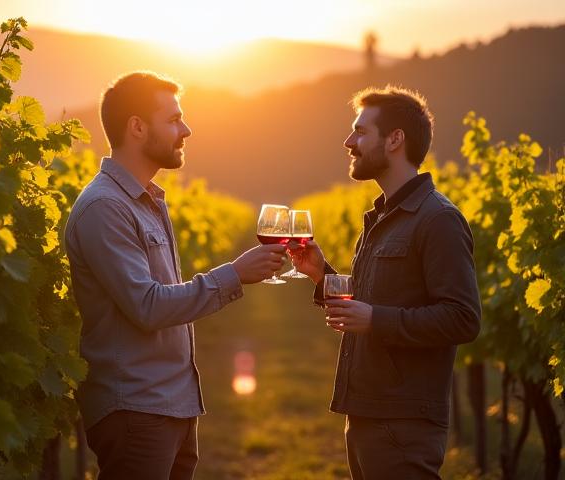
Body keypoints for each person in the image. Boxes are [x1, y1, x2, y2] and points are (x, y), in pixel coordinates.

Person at [64, 71, 285, 480]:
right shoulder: (105, 208)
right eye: (174, 119)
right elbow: (147, 306)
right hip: (136, 407)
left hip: (170, 402)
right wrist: (234, 274)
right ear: (137, 127)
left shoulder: (146, 201)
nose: (187, 129)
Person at [290, 86, 481, 479]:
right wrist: (322, 273)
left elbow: (463, 319)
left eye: (360, 131)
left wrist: (376, 319)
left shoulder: (437, 219)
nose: (348, 141)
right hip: (366, 414)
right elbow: (372, 299)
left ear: (395, 139)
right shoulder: (381, 217)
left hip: (404, 423)